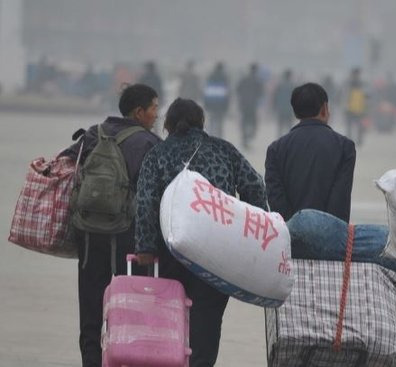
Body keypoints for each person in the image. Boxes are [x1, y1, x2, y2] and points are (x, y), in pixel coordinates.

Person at [134, 98, 267, 367]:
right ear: (202, 123)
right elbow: (255, 186)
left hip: (172, 250)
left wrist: (145, 247)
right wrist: (250, 228)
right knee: (207, 318)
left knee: (170, 315)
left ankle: (171, 360)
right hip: (216, 251)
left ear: (169, 124)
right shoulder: (224, 150)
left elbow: (146, 200)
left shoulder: (158, 154)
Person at [61, 84, 161, 367]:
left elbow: (67, 165)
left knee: (91, 308)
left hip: (89, 234)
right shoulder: (148, 143)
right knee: (130, 310)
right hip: (129, 239)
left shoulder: (93, 133)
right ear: (139, 112)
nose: (156, 114)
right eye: (154, 107)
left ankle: (91, 361)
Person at [265, 82, 356, 222]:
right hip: (330, 235)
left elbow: (276, 200)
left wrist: (293, 228)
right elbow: (340, 199)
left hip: (290, 235)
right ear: (325, 108)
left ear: (295, 112)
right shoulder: (344, 147)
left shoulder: (276, 149)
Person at [236, 63, 264, 149]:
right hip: (252, 105)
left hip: (244, 104)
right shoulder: (258, 81)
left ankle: (244, 138)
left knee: (244, 121)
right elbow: (261, 93)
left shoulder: (244, 79)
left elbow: (238, 89)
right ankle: (250, 136)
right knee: (253, 121)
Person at [203, 62, 230, 139]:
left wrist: (206, 103)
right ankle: (219, 136)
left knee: (212, 119)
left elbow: (207, 91)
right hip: (221, 103)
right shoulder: (225, 77)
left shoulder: (210, 76)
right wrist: (227, 105)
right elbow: (227, 92)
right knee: (220, 120)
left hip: (211, 102)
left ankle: (210, 135)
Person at [344, 67, 367, 145]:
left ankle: (353, 140)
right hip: (356, 108)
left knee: (351, 125)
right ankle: (358, 140)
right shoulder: (361, 84)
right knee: (356, 125)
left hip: (353, 108)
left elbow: (345, 96)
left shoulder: (348, 83)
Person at [272, 69, 295, 138]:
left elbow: (275, 97)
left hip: (281, 108)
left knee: (280, 124)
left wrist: (274, 106)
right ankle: (289, 137)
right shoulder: (293, 86)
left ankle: (279, 137)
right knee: (289, 124)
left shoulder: (280, 85)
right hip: (290, 108)